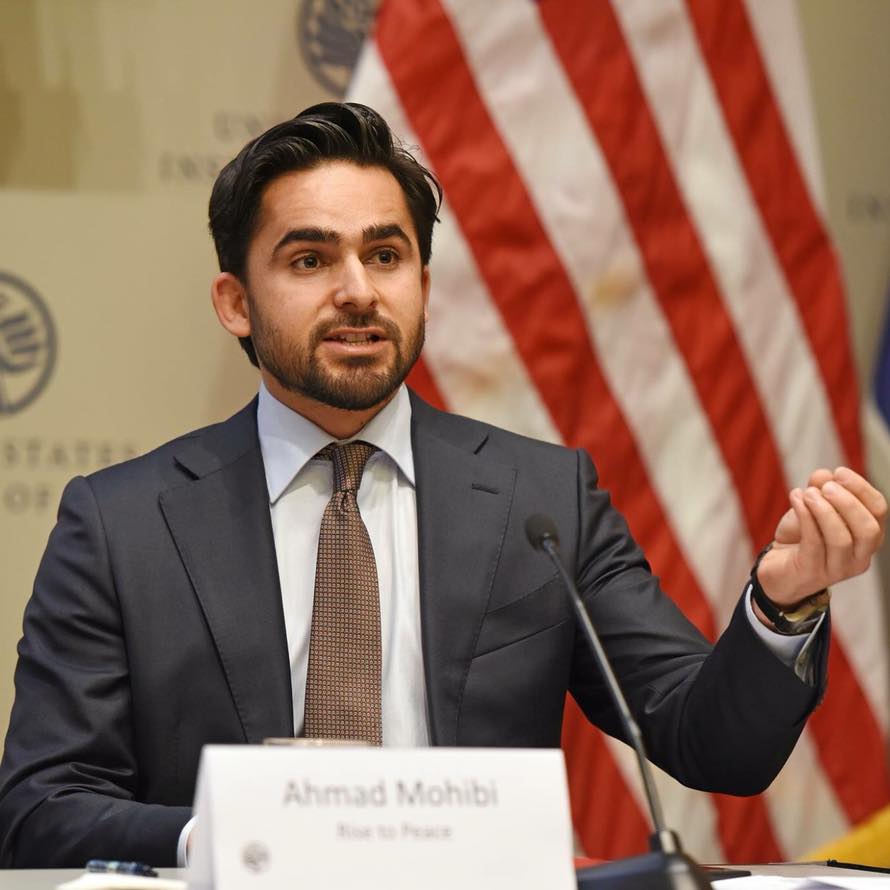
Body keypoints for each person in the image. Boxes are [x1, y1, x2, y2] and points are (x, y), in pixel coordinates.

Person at [0, 102, 884, 868]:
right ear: (235, 301)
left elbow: (708, 740)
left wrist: (781, 606)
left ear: (423, 282)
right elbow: (40, 808)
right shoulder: (122, 525)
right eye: (309, 261)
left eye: (385, 257)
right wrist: (230, 837)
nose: (356, 292)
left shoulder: (543, 498)